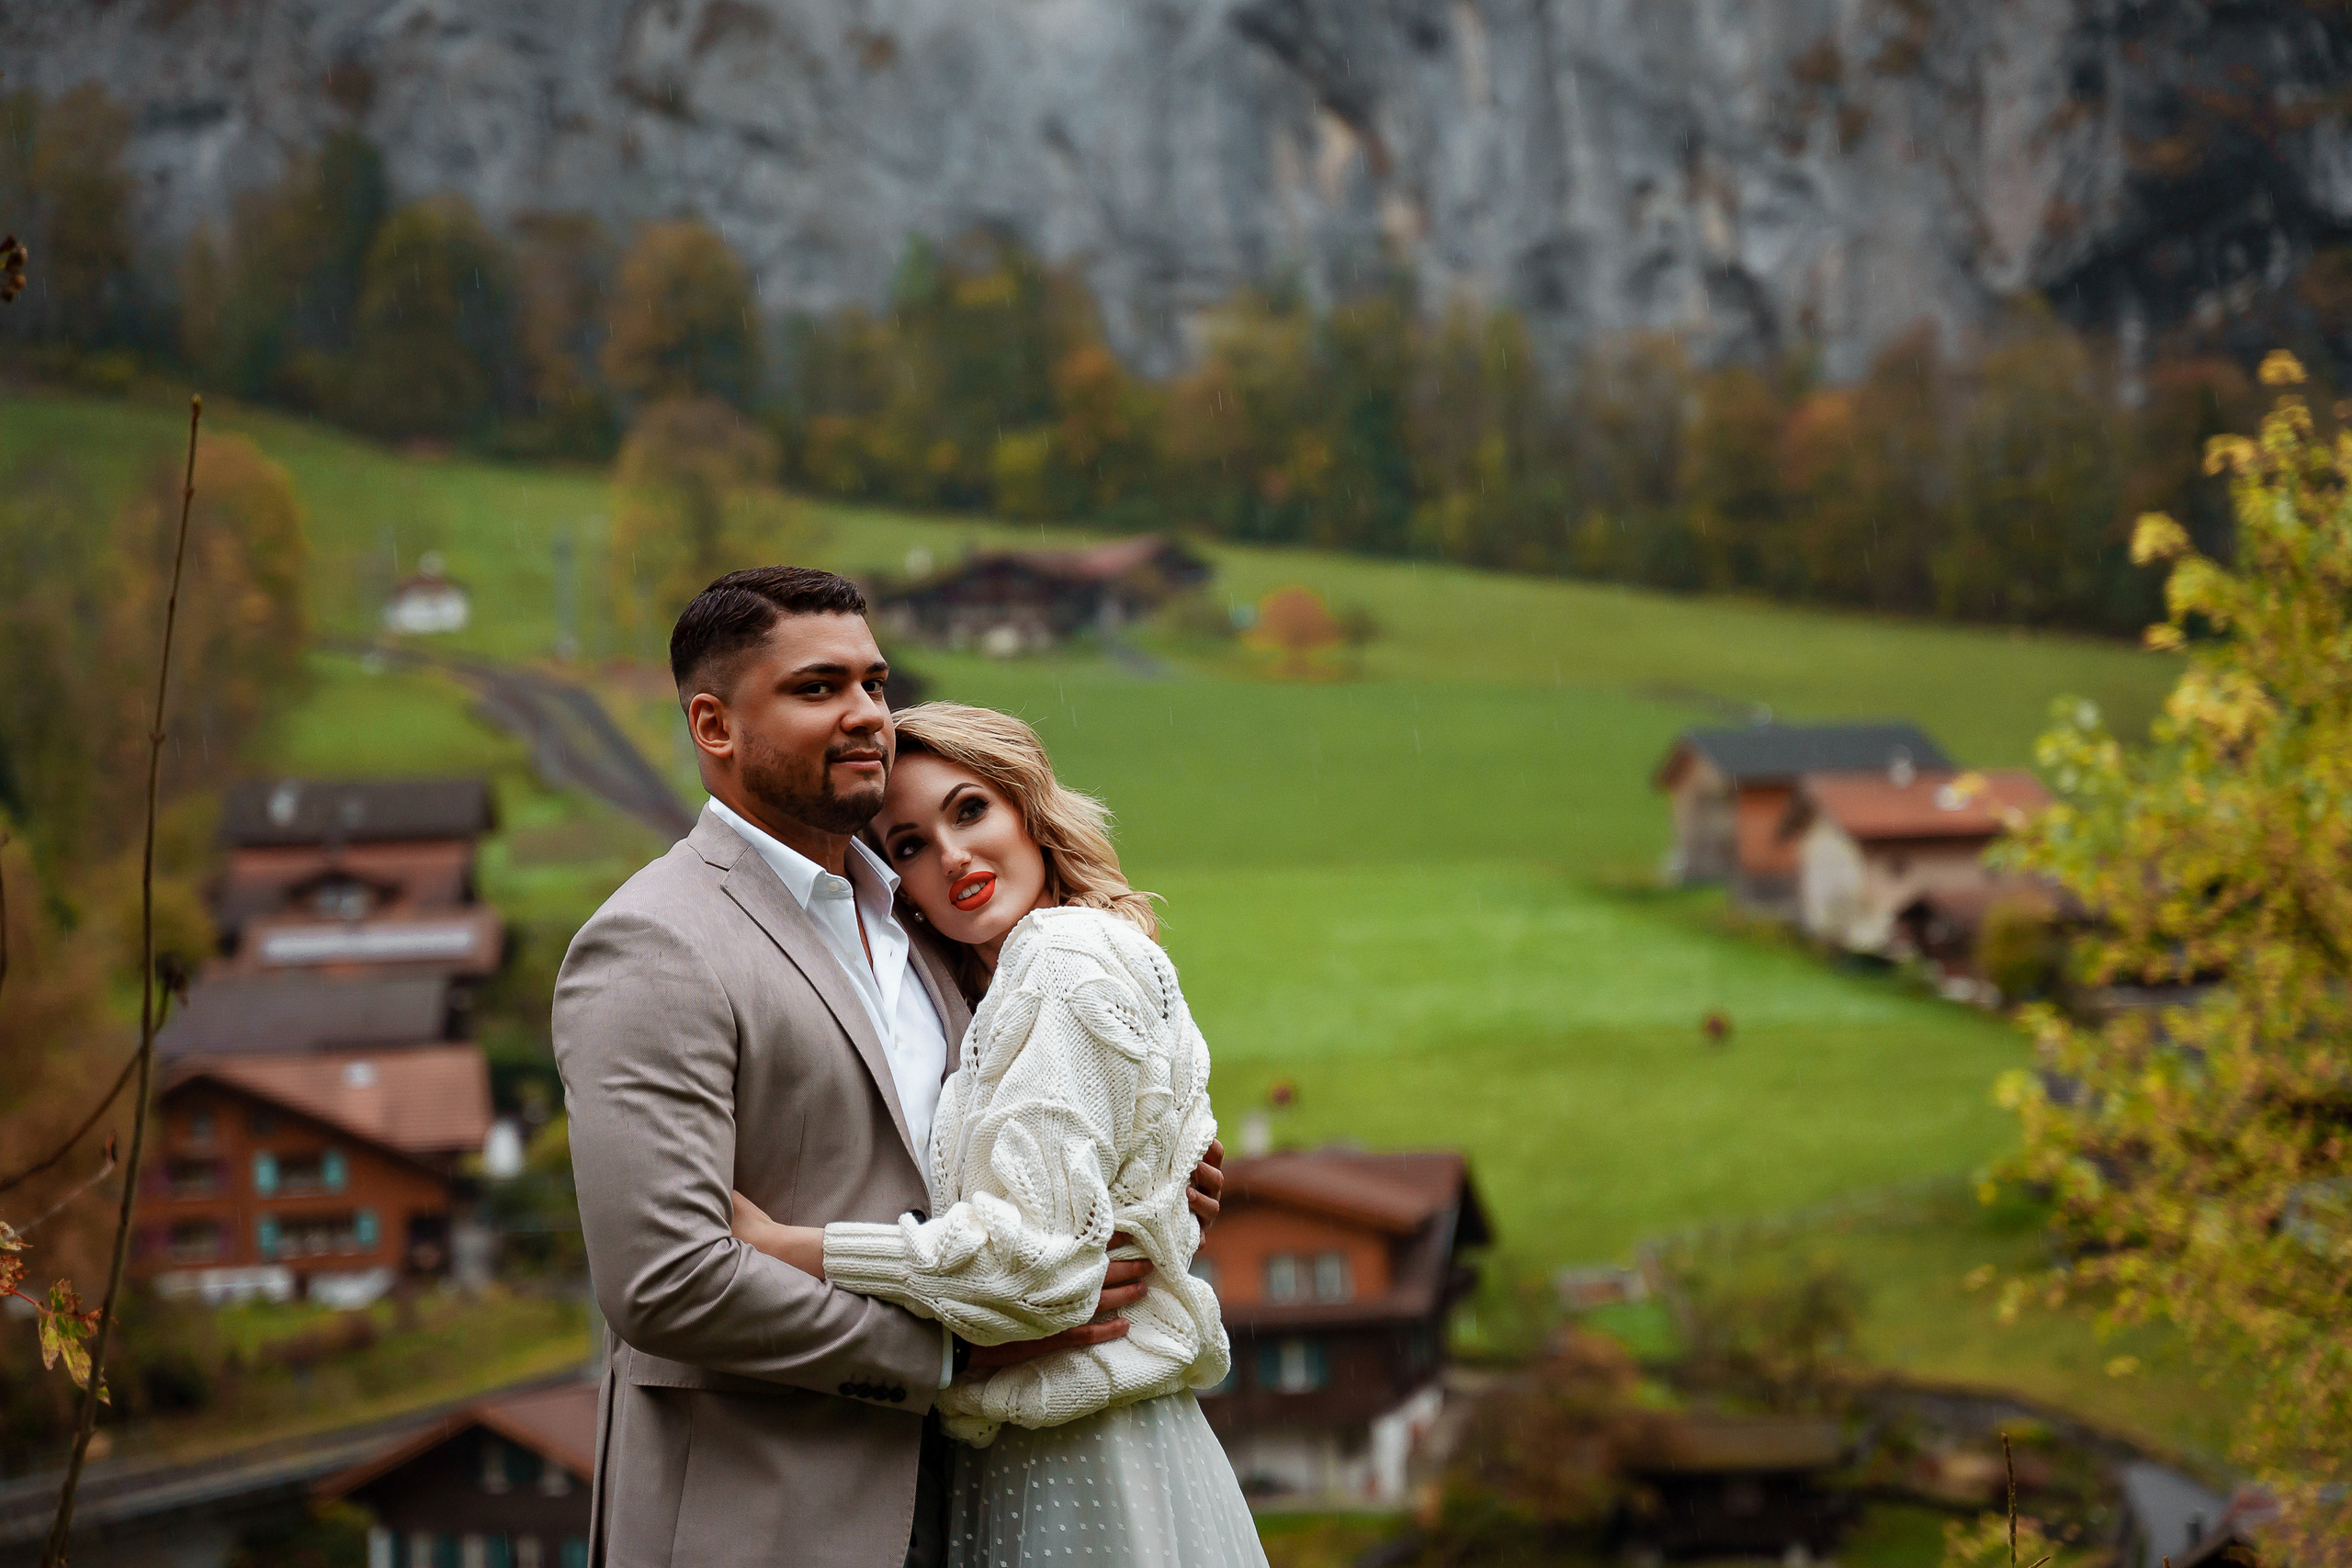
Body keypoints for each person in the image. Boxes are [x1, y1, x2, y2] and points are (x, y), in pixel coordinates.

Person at [553, 567, 1223, 1568]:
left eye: (873, 682)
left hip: (978, 1498)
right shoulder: (655, 943)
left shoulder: (934, 926)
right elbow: (666, 1281)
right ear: (714, 725)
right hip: (769, 1520)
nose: (866, 712)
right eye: (818, 687)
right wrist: (947, 1354)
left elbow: (1027, 1150)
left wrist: (1158, 1178)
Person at [727, 703, 1268, 1568]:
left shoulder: (1061, 959)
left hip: (1084, 1459)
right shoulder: (996, 996)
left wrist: (789, 1247)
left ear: (1028, 810)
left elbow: (1037, 1264)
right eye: (910, 844)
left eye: (970, 809)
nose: (952, 856)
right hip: (1055, 1446)